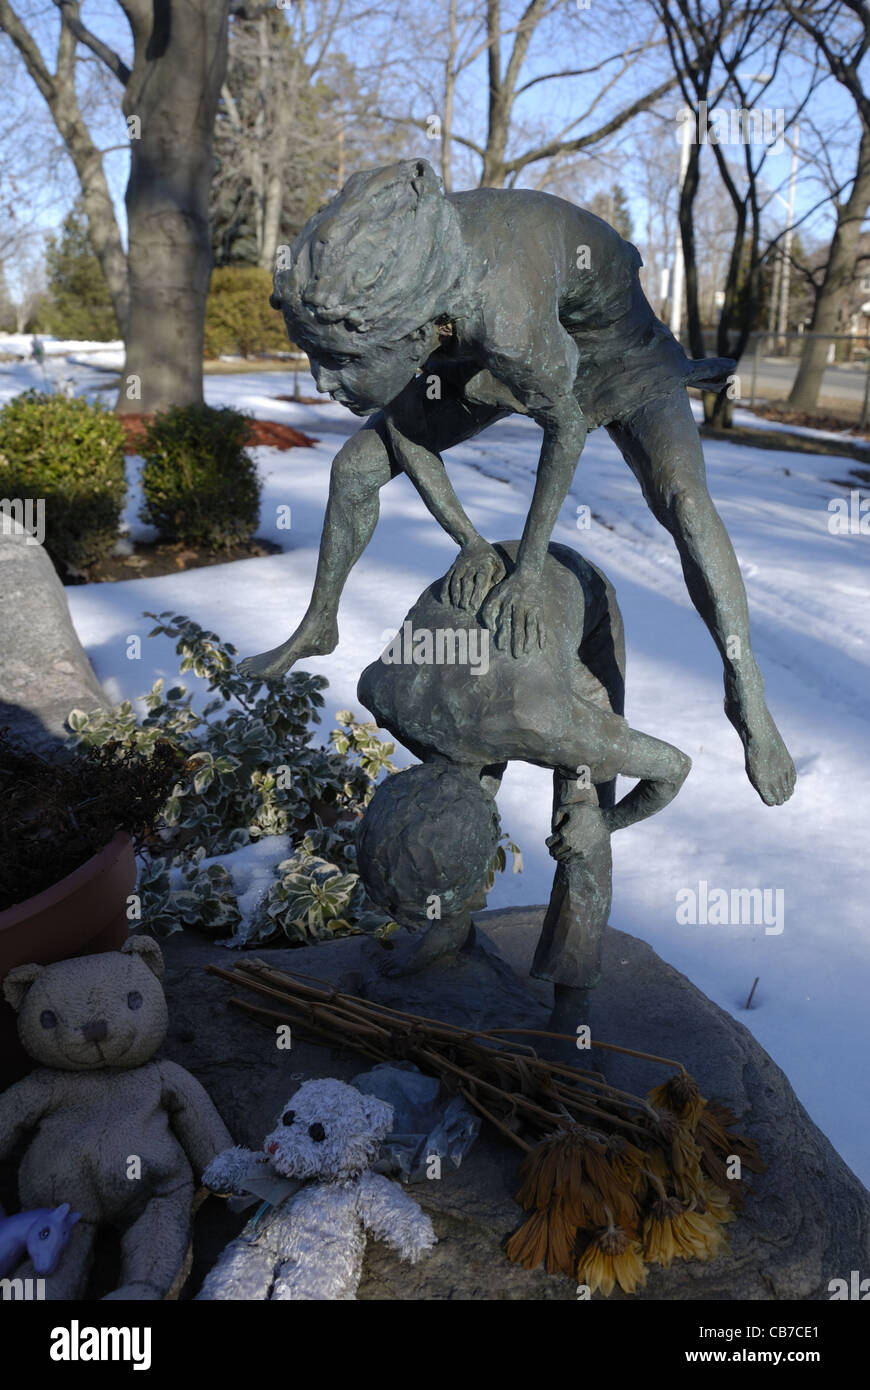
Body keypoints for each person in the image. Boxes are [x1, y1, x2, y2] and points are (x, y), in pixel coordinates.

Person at [241, 159, 794, 807]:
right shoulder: (416, 290)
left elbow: (565, 427)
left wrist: (528, 570)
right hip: (514, 345)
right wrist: (472, 544)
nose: (324, 383)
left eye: (336, 362)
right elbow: (404, 434)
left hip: (616, 346)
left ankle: (745, 687)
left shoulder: (499, 307)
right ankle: (320, 621)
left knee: (685, 501)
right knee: (356, 465)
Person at [355, 540, 690, 1035]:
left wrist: (604, 822)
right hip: (491, 624)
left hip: (573, 598)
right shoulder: (384, 694)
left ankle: (571, 1011)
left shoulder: (551, 725)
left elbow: (674, 768)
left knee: (581, 823)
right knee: (458, 776)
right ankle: (447, 933)